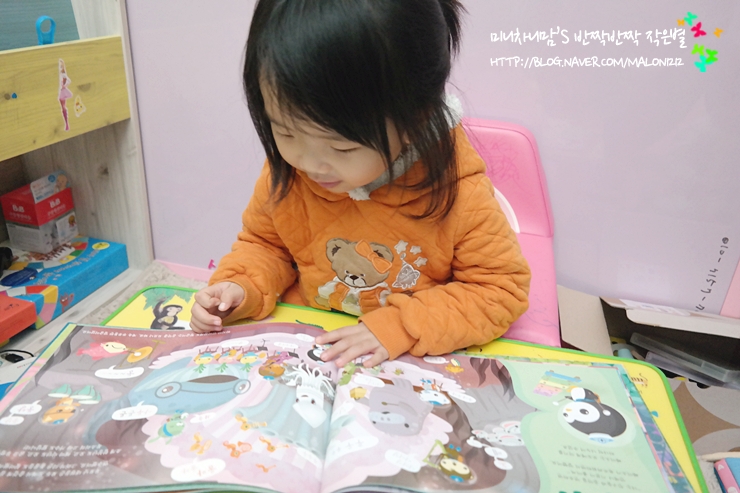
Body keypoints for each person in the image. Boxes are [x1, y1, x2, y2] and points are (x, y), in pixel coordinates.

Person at [191, 0, 531, 369]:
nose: (309, 163)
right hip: (310, 349)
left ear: (416, 120)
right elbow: (266, 246)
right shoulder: (290, 170)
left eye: (342, 147)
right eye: (285, 132)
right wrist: (240, 287)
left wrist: (401, 326)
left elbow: (498, 291)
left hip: (408, 362)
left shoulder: (460, 193)